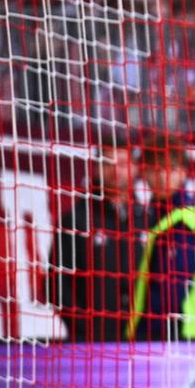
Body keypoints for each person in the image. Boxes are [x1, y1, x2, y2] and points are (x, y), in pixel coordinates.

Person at [50, 141, 146, 342]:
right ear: (96, 167)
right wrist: (84, 329)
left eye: (122, 163)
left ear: (135, 168)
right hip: (92, 343)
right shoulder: (76, 218)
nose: (116, 171)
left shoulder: (148, 218)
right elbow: (57, 284)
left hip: (144, 339)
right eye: (108, 163)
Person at [126, 136, 195, 342]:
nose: (162, 176)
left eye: (170, 168)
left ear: (184, 172)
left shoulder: (182, 222)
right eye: (155, 169)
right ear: (144, 172)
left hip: (178, 338)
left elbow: (171, 294)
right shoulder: (181, 214)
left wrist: (140, 338)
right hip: (193, 335)